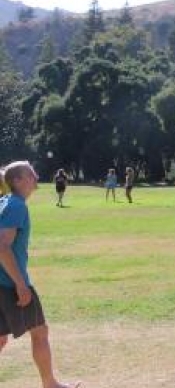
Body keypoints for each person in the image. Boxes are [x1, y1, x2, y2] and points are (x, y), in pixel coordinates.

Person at [0, 161, 80, 388]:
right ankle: (50, 384)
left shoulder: (4, 202)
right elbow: (2, 246)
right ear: (17, 181)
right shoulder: (16, 205)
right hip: (9, 284)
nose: (36, 177)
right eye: (30, 175)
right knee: (39, 332)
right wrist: (20, 285)